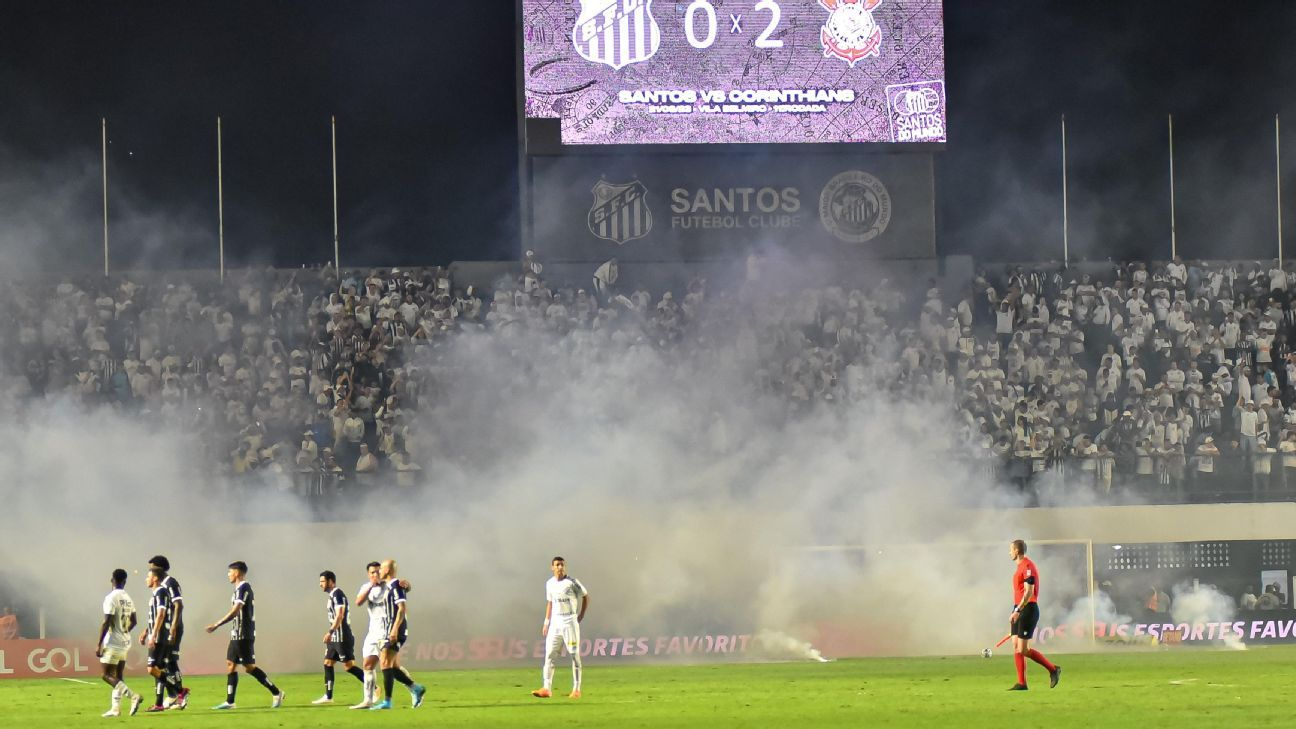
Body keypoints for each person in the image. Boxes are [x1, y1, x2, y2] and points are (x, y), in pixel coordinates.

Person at [205, 561, 285, 710]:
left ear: (237, 572)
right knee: (231, 664)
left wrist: (217, 624)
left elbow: (236, 611)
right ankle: (230, 702)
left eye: (230, 572)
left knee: (249, 667)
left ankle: (276, 692)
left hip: (244, 634)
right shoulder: (237, 590)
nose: (228, 574)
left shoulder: (244, 588)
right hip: (236, 633)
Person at [368, 559, 426, 710]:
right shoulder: (390, 586)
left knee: (385, 664)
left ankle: (387, 702)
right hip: (388, 629)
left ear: (387, 570)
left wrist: (394, 629)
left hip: (396, 630)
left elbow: (402, 608)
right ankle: (416, 688)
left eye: (381, 568)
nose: (379, 570)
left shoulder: (395, 586)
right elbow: (405, 589)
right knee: (391, 666)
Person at [532, 556, 589, 699]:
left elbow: (585, 596)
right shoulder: (549, 584)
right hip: (555, 623)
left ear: (565, 567)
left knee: (574, 655)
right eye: (557, 565)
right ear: (552, 567)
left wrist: (581, 614)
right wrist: (546, 622)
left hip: (569, 621)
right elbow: (550, 603)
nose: (560, 567)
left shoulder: (572, 582)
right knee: (549, 654)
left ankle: (576, 689)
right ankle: (546, 688)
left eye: (562, 565)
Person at [1008, 539, 1060, 691]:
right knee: (1015, 645)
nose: (1009, 552)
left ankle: (1053, 669)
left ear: (1017, 551)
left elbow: (1029, 592)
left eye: (1011, 549)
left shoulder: (1027, 566)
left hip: (1028, 609)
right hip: (1018, 608)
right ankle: (1021, 683)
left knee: (1023, 649)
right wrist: (1015, 610)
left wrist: (1018, 611)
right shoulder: (1019, 567)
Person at [311, 570, 366, 705]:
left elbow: (340, 615)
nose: (320, 584)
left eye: (322, 581)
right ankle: (328, 696)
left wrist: (330, 632)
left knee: (349, 666)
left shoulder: (338, 594)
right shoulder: (332, 596)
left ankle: (374, 687)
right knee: (328, 663)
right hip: (335, 636)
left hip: (342, 635)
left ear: (330, 581)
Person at [96, 568, 142, 717]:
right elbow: (134, 621)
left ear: (112, 580)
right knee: (118, 675)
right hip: (125, 640)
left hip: (113, 642)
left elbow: (107, 621)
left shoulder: (111, 597)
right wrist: (125, 631)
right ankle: (115, 708)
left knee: (106, 675)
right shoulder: (128, 598)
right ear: (125, 582)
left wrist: (99, 643)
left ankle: (133, 696)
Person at [148, 555, 189, 709]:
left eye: (151, 567)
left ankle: (179, 696)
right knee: (162, 665)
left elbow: (179, 605)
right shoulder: (159, 587)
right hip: (163, 627)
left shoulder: (170, 582)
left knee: (170, 662)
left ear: (159, 567)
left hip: (172, 628)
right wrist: (148, 630)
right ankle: (172, 696)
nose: (149, 570)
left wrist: (173, 627)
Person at [139, 567, 175, 712]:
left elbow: (161, 614)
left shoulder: (160, 592)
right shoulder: (156, 593)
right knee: (158, 669)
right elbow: (155, 617)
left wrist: (153, 635)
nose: (146, 579)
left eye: (148, 576)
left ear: (155, 578)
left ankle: (177, 691)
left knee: (151, 669)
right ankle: (159, 704)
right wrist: (146, 630)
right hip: (158, 634)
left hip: (159, 636)